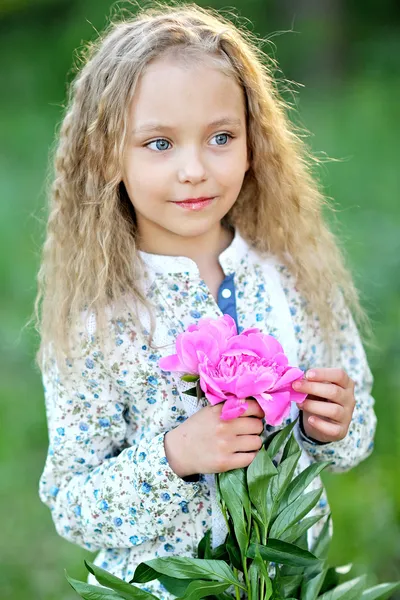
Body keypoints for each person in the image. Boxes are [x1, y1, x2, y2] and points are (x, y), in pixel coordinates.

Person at [35, 2, 377, 598]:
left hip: (286, 583)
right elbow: (73, 506)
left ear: (253, 142)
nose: (194, 169)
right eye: (159, 143)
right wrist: (174, 457)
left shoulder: (291, 278)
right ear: (108, 152)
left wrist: (333, 428)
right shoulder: (98, 318)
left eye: (221, 137)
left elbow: (357, 432)